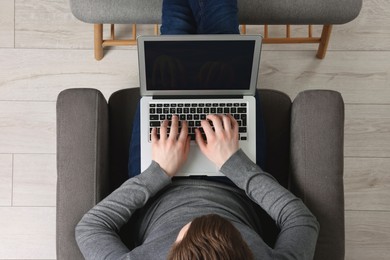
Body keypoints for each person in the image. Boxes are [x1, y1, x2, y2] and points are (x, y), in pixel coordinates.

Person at [76, 0, 319, 259]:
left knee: (173, 41)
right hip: (236, 181)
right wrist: (233, 162)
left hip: (160, 182)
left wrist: (159, 172)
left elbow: (90, 228)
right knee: (225, 39)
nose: (201, 212)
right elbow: (302, 221)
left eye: (182, 230)